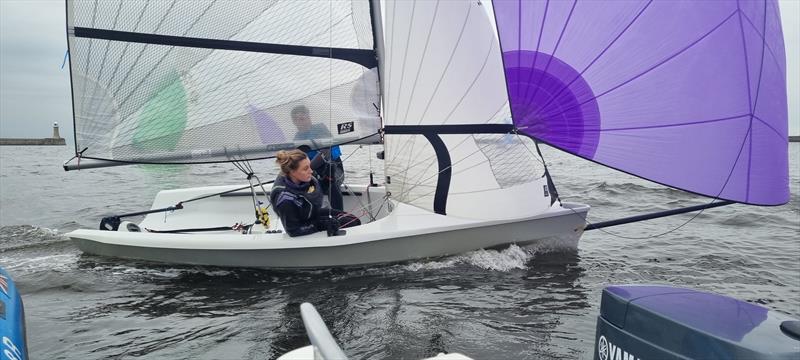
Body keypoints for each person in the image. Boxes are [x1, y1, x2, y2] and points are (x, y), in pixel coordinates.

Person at [270, 149, 360, 237]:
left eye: (309, 166)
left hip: (311, 214)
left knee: (354, 220)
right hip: (303, 224)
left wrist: (328, 179)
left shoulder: (302, 179)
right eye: (305, 169)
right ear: (292, 171)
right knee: (351, 223)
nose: (311, 171)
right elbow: (294, 230)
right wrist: (321, 225)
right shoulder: (284, 199)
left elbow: (317, 190)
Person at [291, 105, 345, 210]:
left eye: (302, 118)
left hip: (334, 170)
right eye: (296, 119)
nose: (300, 121)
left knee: (330, 180)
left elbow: (331, 152)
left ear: (309, 117)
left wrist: (311, 166)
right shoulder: (296, 139)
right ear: (294, 122)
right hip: (312, 173)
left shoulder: (320, 129)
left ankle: (340, 216)